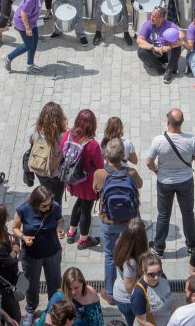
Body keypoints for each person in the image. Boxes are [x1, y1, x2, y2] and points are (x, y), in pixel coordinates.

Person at [146, 108, 195, 255]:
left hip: (164, 182)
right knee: (187, 213)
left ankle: (159, 248)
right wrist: (191, 157)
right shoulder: (191, 140)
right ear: (182, 122)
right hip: (185, 181)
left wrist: (155, 170)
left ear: (168, 122)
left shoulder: (159, 140)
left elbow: (148, 161)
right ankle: (192, 244)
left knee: (163, 214)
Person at [94, 140, 143, 307]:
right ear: (123, 156)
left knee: (109, 255)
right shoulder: (131, 173)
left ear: (106, 156)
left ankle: (109, 293)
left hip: (108, 220)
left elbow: (96, 189)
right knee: (129, 254)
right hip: (129, 222)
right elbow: (140, 185)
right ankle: (132, 287)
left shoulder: (100, 173)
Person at [13, 186, 64, 326]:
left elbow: (59, 220)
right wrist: (23, 237)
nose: (47, 208)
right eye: (43, 206)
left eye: (49, 204)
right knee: (31, 283)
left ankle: (53, 308)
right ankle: (30, 309)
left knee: (55, 282)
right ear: (35, 202)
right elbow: (15, 228)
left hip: (52, 252)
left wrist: (59, 229)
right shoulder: (23, 209)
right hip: (31, 254)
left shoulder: (55, 207)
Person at [59, 110, 103, 248]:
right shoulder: (92, 145)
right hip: (87, 183)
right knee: (86, 210)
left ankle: (71, 232)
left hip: (72, 179)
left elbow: (62, 152)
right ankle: (84, 239)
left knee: (78, 203)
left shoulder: (67, 135)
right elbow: (100, 166)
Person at [4, 0, 48, 73]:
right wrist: (27, 28)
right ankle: (8, 58)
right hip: (23, 23)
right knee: (28, 45)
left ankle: (30, 64)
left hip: (32, 21)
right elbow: (23, 13)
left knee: (35, 41)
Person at [112, 219, 150, 325]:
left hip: (120, 293)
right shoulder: (131, 263)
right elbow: (129, 288)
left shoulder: (120, 242)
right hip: (128, 301)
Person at [131, 252, 174, 326]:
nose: (156, 277)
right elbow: (142, 321)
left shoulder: (163, 277)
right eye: (152, 274)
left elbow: (171, 303)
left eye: (159, 272)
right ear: (144, 271)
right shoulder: (139, 293)